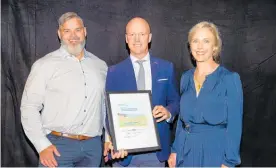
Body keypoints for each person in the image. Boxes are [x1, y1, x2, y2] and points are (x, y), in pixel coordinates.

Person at [21, 12, 109, 167]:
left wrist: (108, 138)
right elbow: (29, 107)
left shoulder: (100, 66)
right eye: (67, 31)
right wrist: (42, 145)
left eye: (77, 30)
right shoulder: (44, 65)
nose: (73, 35)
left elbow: (105, 107)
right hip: (57, 147)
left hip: (93, 148)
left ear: (85, 32)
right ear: (59, 34)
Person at [104, 17, 180, 167]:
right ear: (126, 38)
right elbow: (109, 112)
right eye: (132, 35)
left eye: (142, 34)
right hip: (124, 155)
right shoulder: (114, 72)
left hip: (156, 152)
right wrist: (116, 140)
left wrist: (168, 111)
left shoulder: (166, 68)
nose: (137, 39)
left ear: (149, 37)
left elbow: (175, 101)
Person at [168, 21, 243, 167]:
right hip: (186, 153)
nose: (200, 46)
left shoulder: (229, 79)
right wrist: (175, 150)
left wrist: (229, 162)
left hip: (215, 153)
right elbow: (182, 123)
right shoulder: (185, 77)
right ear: (190, 46)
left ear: (215, 47)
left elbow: (235, 125)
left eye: (206, 41)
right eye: (195, 41)